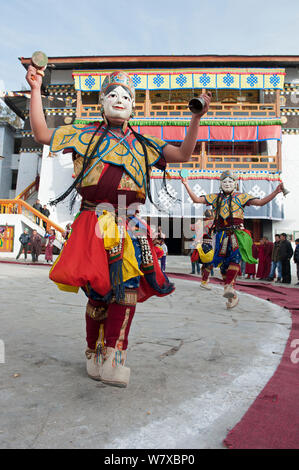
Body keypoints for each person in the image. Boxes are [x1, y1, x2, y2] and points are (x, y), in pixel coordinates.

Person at [26, 64, 211, 387]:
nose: (119, 99)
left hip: (130, 222)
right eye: (112, 94)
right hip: (92, 219)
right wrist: (35, 89)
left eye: (125, 95)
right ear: (102, 102)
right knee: (98, 294)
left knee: (126, 290)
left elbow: (183, 153)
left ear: (133, 105)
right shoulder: (82, 135)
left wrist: (196, 118)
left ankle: (114, 355)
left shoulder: (146, 144)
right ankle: (92, 350)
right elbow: (42, 134)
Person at [181, 170, 283, 309]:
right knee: (223, 265)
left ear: (235, 184)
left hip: (236, 233)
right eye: (224, 182)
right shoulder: (215, 197)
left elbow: (260, 202)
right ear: (220, 184)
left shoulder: (242, 197)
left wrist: (276, 192)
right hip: (221, 235)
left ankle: (229, 286)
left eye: (230, 182)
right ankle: (232, 294)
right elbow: (196, 200)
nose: (227, 184)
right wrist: (186, 184)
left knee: (234, 259)